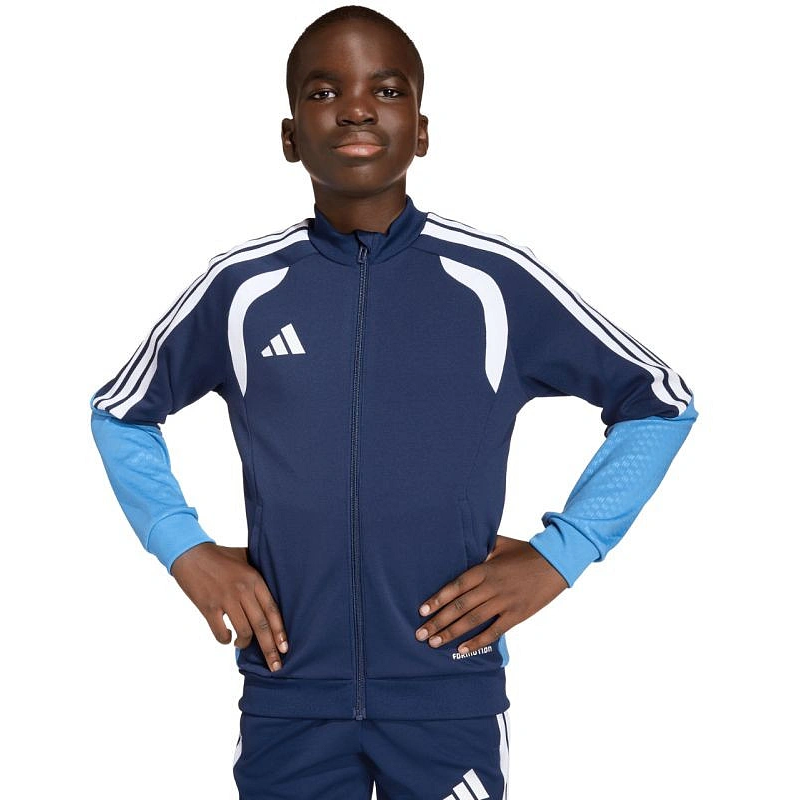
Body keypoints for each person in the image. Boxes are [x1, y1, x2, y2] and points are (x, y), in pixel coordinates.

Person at [89, 5, 698, 799]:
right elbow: (120, 411)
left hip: (449, 694)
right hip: (288, 692)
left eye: (386, 89)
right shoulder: (242, 289)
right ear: (288, 136)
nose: (355, 108)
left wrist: (562, 554)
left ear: (422, 130)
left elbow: (660, 401)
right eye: (323, 92)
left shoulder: (492, 283)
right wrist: (185, 548)